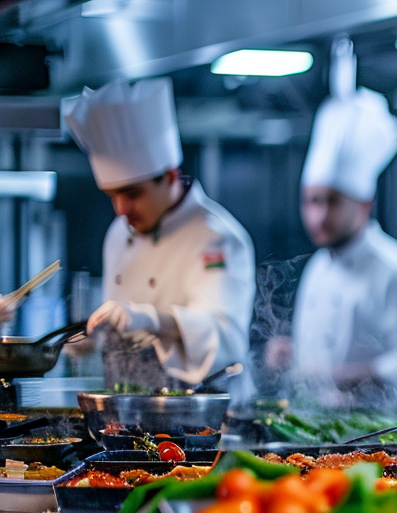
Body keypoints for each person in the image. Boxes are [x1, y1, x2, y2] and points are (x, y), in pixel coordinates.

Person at [264, 39, 397, 423]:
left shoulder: (393, 268)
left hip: (392, 438)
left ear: (363, 205)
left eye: (330, 202)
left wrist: (346, 378)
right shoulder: (319, 266)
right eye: (310, 201)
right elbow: (324, 357)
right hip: (329, 435)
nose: (317, 216)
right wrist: (293, 354)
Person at [64, 77, 256, 392]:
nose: (121, 209)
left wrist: (154, 321)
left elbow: (226, 343)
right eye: (112, 195)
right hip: (127, 412)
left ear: (168, 176)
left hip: (202, 416)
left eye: (132, 193)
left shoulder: (218, 238)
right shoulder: (117, 234)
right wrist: (94, 337)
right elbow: (120, 332)